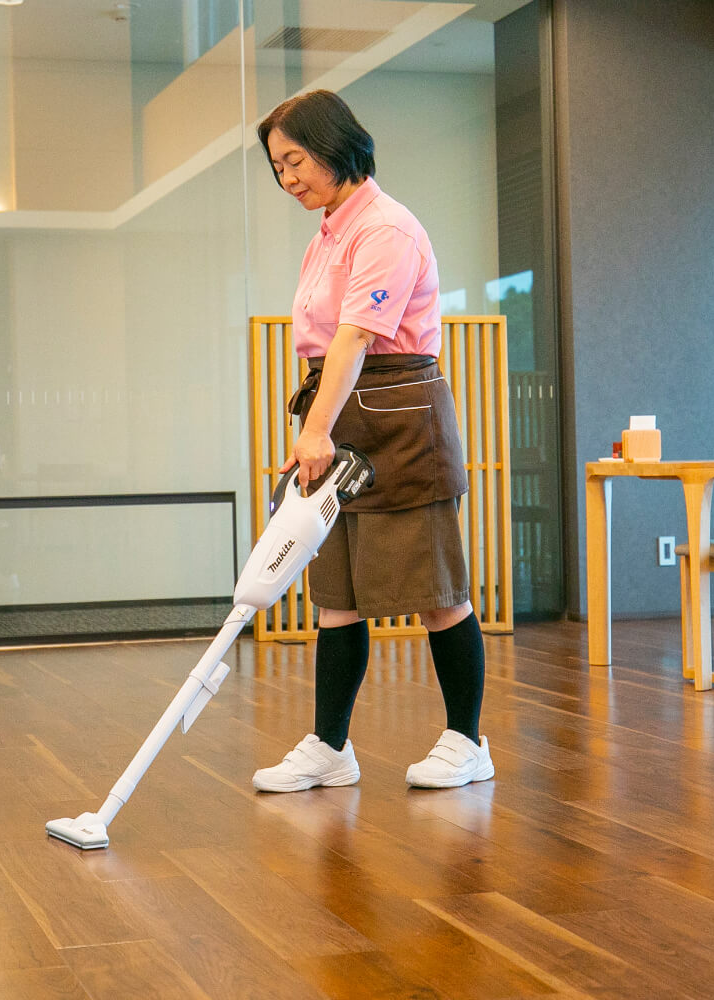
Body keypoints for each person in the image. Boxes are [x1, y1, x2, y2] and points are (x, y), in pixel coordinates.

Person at [250, 90, 493, 793]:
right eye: (278, 168)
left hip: (398, 418)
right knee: (338, 593)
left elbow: (357, 336)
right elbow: (328, 349)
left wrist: (316, 427)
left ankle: (467, 740)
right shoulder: (328, 232)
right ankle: (331, 747)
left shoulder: (386, 228)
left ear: (335, 145)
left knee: (436, 588)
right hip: (344, 411)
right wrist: (318, 424)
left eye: (295, 160)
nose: (289, 178)